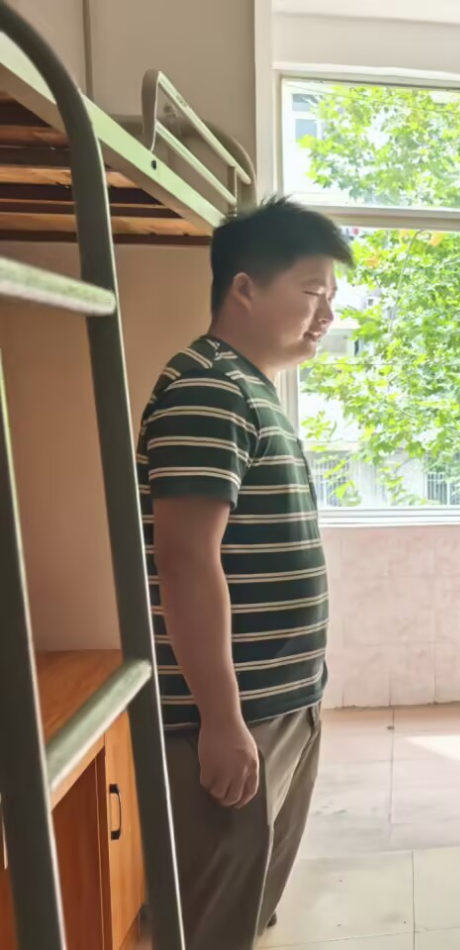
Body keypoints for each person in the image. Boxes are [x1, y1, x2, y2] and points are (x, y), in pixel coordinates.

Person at [138, 197, 352, 950]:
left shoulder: (250, 386)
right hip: (235, 710)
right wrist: (222, 721)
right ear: (244, 289)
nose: (326, 314)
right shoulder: (209, 389)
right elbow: (186, 559)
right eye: (312, 291)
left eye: (332, 296)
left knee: (247, 907)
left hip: (281, 699)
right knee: (212, 922)